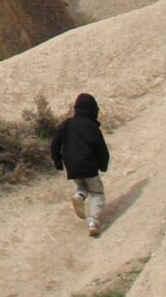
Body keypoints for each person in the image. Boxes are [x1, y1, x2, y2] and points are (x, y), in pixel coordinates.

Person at [51, 93, 110, 237]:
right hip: (89, 165)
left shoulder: (66, 124)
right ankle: (93, 223)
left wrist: (58, 163)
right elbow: (101, 148)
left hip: (72, 166)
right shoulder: (91, 127)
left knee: (83, 185)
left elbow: (55, 144)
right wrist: (103, 165)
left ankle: (79, 195)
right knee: (97, 194)